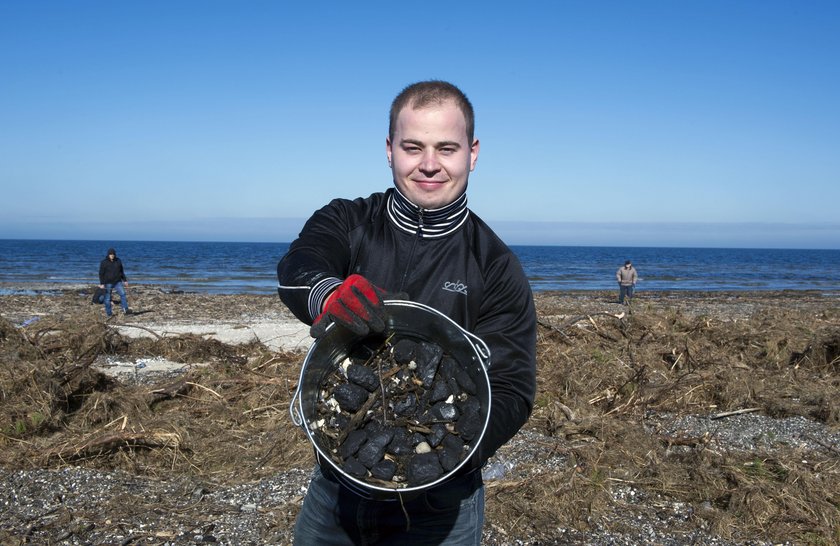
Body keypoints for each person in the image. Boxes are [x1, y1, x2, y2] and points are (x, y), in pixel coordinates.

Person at [276, 80, 537, 545]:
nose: (430, 164)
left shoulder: (494, 265)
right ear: (389, 149)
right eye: (413, 146)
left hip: (442, 508)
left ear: (472, 153)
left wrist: (448, 454)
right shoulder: (349, 221)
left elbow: (513, 388)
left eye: (447, 148)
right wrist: (327, 294)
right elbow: (298, 267)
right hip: (337, 490)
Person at [99, 247, 130, 317]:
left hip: (117, 282)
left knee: (123, 294)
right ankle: (109, 314)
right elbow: (101, 273)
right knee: (107, 299)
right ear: (108, 255)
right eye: (110, 254)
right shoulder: (104, 262)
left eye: (113, 254)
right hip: (108, 283)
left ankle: (125, 309)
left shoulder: (118, 261)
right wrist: (102, 283)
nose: (112, 255)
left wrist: (125, 280)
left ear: (115, 254)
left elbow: (121, 271)